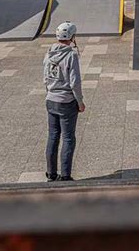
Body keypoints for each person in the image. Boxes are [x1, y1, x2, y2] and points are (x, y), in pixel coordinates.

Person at [43, 22, 85, 182]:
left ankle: (51, 174)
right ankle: (65, 176)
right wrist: (80, 102)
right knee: (68, 137)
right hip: (66, 101)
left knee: (53, 136)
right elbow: (75, 82)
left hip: (51, 99)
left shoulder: (48, 53)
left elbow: (45, 78)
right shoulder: (71, 55)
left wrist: (49, 94)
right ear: (73, 37)